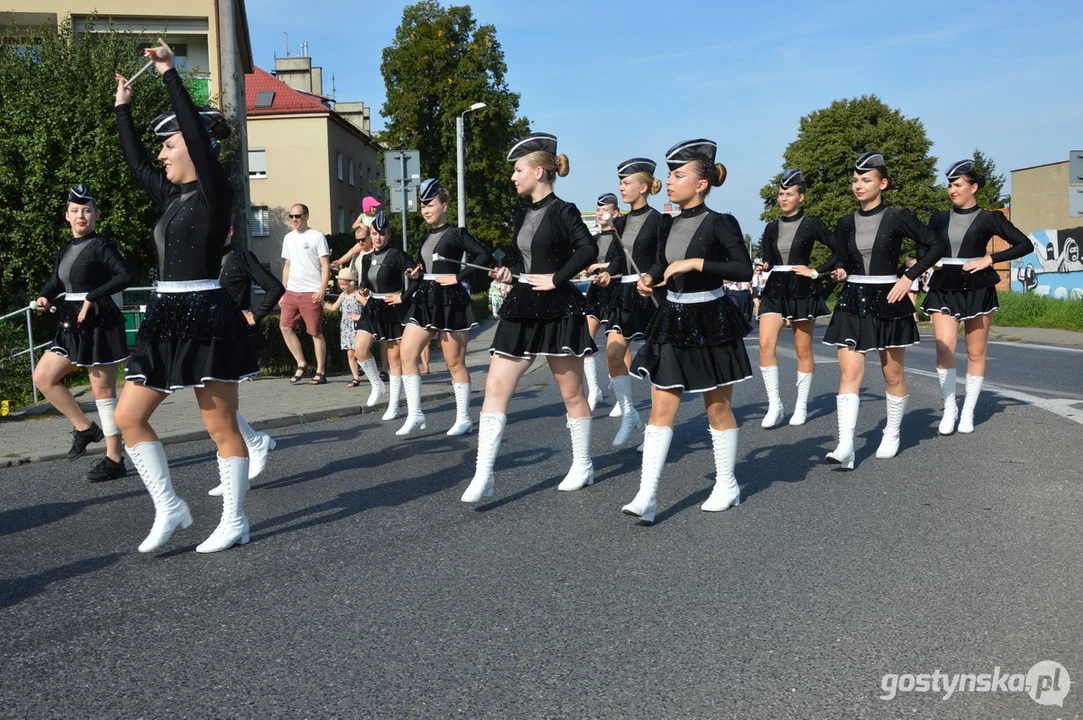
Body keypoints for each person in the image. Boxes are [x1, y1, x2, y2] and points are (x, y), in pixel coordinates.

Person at [113, 39, 260, 553]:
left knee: (220, 427)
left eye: (168, 146)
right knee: (128, 417)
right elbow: (137, 165)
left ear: (192, 149)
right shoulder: (173, 196)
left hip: (205, 313)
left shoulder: (215, 191)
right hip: (164, 313)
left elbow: (195, 136)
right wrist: (123, 110)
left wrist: (170, 74)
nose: (161, 155)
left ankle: (235, 519)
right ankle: (170, 508)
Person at [460, 132, 598, 502]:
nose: (513, 176)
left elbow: (588, 248)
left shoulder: (564, 210)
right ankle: (484, 473)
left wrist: (556, 279)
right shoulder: (521, 213)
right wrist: (509, 273)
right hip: (521, 304)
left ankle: (583, 463)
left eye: (518, 170)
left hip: (557, 308)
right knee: (494, 386)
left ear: (539, 171)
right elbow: (524, 261)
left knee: (571, 394)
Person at [622, 138, 753, 523]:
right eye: (669, 174)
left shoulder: (721, 222)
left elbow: (742, 270)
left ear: (701, 184)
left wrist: (697, 262)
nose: (671, 181)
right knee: (661, 406)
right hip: (673, 320)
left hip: (712, 319)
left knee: (717, 407)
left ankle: (727, 484)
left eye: (679, 175)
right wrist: (650, 278)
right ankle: (647, 494)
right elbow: (663, 266)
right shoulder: (667, 224)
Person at [821, 152, 945, 468]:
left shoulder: (897, 216)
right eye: (855, 180)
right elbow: (842, 259)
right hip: (852, 298)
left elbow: (936, 245)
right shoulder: (844, 222)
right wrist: (838, 270)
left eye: (866, 179)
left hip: (889, 297)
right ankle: (846, 444)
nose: (859, 185)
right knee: (849, 372)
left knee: (892, 374)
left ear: (883, 183)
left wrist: (909, 277)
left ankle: (891, 431)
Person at [921, 159, 1032, 435]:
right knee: (943, 348)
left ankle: (968, 409)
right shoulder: (938, 218)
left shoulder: (990, 217)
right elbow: (924, 246)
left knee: (975, 351)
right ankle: (950, 407)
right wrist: (928, 261)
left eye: (958, 185)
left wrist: (990, 259)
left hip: (978, 285)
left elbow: (1025, 244)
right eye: (949, 185)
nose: (952, 190)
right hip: (944, 284)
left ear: (974, 187)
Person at [32, 186, 133, 481]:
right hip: (70, 323)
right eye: (75, 210)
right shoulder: (66, 249)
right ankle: (85, 429)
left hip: (99, 322)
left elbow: (126, 275)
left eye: (87, 210)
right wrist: (43, 296)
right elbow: (57, 280)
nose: (81, 215)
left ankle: (115, 459)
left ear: (96, 216)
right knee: (43, 378)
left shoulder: (102, 246)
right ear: (66, 216)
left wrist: (93, 295)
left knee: (103, 394)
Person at [397, 178, 493, 436]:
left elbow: (485, 256)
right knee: (406, 353)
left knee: (454, 362)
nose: (425, 210)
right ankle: (415, 413)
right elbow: (426, 268)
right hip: (424, 297)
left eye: (430, 204)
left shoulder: (457, 233)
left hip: (450, 300)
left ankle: (464, 418)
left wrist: (459, 277)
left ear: (445, 206)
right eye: (422, 206)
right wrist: (416, 273)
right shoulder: (425, 236)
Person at [594, 158, 669, 447]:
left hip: (649, 294)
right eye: (621, 183)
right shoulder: (620, 222)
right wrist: (606, 274)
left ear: (644, 187)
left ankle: (655, 427)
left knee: (655, 361)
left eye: (626, 183)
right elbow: (617, 259)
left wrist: (650, 276)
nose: (621, 188)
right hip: (623, 292)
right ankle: (629, 414)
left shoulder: (660, 221)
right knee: (613, 354)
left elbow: (663, 257)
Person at [757, 169, 836, 427]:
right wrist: (763, 265)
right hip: (775, 287)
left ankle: (801, 405)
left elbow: (842, 250)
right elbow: (768, 260)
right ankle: (775, 405)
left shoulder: (812, 224)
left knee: (803, 349)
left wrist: (817, 271)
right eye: (781, 194)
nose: (783, 198)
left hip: (802, 287)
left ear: (801, 197)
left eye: (789, 194)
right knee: (765, 344)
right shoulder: (771, 227)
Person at [210, 229, 285, 495]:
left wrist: (255, 315)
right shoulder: (202, 256)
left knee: (221, 408)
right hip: (208, 339)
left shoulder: (241, 256)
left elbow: (275, 287)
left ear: (230, 230)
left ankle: (245, 457)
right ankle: (253, 444)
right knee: (216, 409)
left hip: (232, 338)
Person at [355, 211, 414, 420]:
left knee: (393, 360)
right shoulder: (367, 258)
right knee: (359, 349)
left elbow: (418, 276)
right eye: (374, 233)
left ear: (388, 234)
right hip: (373, 306)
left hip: (392, 307)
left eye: (382, 233)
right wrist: (363, 289)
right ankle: (377, 385)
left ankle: (394, 405)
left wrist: (403, 297)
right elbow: (365, 281)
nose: (377, 237)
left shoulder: (397, 254)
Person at [279, 203, 331, 385]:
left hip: (311, 291)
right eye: (291, 216)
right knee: (285, 326)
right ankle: (302, 364)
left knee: (315, 333)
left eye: (298, 216)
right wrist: (282, 291)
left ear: (306, 216)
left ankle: (321, 372)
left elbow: (325, 265)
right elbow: (287, 266)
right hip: (292, 291)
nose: (294, 219)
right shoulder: (288, 238)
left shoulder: (317, 237)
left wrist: (322, 290)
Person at [581, 192, 619, 411]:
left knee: (618, 347)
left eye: (604, 210)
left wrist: (601, 267)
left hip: (616, 291)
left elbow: (622, 263)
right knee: (585, 340)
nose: (600, 214)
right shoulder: (594, 239)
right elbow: (590, 261)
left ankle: (620, 395)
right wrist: (589, 268)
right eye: (598, 210)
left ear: (615, 213)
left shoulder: (621, 236)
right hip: (597, 292)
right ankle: (594, 389)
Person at [323, 267, 364, 387]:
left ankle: (368, 370)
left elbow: (368, 307)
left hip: (357, 326)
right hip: (346, 328)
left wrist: (360, 316)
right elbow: (333, 308)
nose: (342, 287)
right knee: (350, 353)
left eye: (344, 284)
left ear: (352, 283)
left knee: (359, 352)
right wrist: (323, 303)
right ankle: (356, 377)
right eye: (340, 284)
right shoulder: (342, 296)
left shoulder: (358, 295)